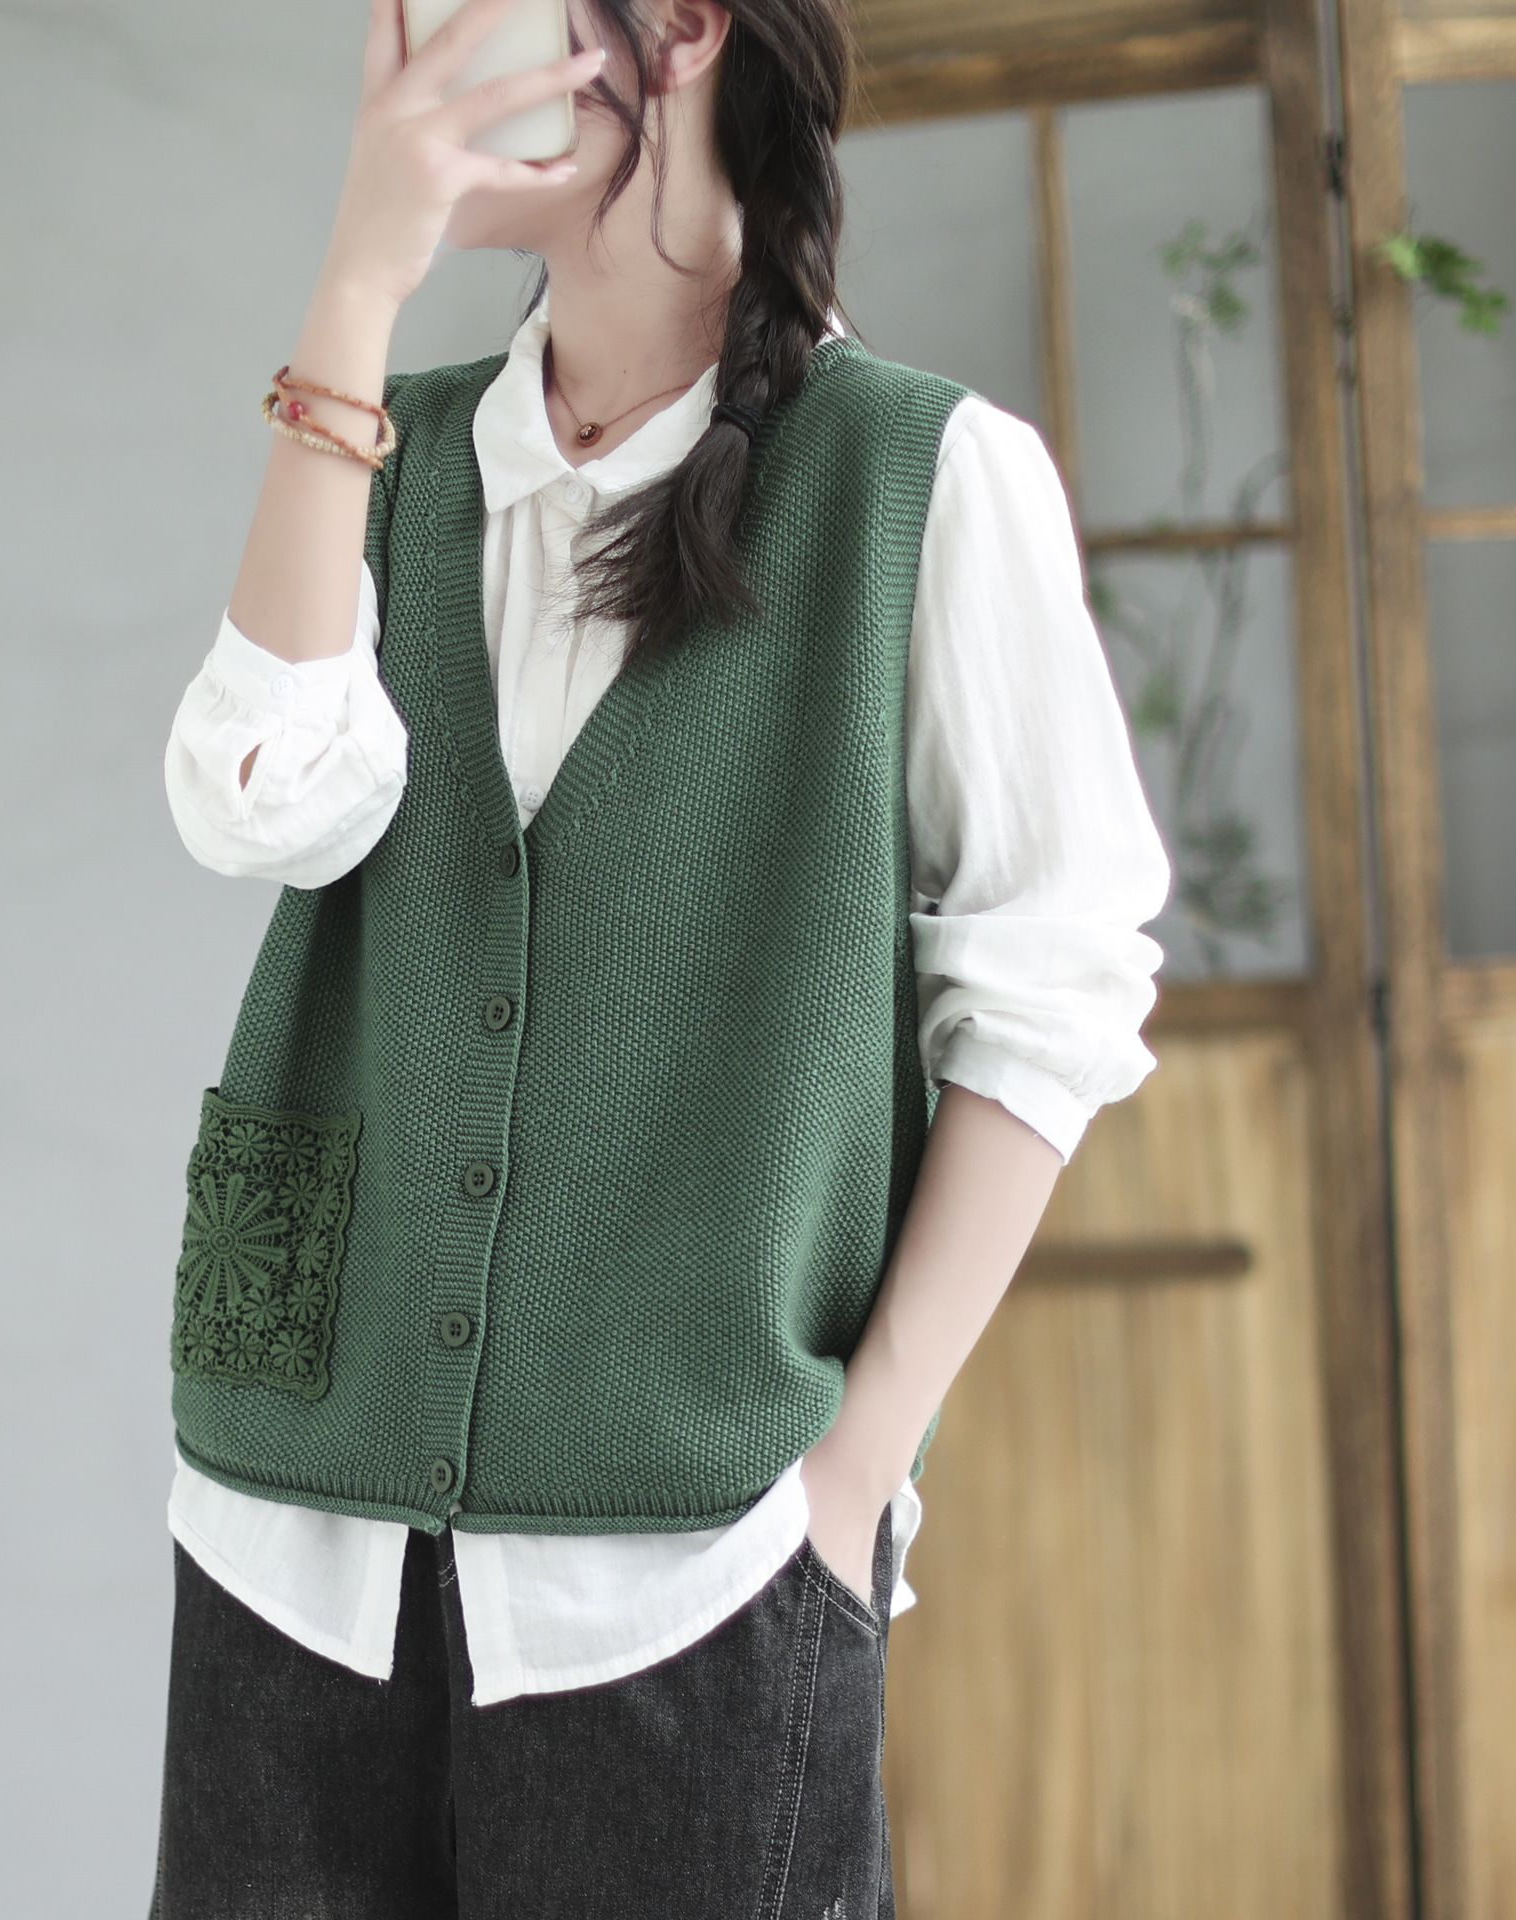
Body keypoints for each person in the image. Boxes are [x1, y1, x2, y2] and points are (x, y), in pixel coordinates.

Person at [148, 0, 1170, 1913]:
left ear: (679, 28)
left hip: (690, 1572)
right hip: (294, 1545)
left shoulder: (922, 477)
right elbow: (259, 804)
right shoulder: (391, 446)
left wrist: (849, 1479)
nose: (404, 51)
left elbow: (1056, 997)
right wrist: (357, 283)